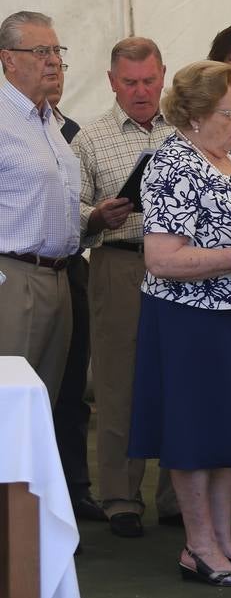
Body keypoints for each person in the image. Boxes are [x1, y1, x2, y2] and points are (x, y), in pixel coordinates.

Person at [129, 60, 231, 587]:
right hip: (189, 320)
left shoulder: (229, 160)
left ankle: (222, 538)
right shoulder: (173, 163)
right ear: (197, 115)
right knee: (195, 432)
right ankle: (197, 545)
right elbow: (162, 258)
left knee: (226, 432)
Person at [72, 37, 180, 537]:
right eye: (130, 82)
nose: (141, 92)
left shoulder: (184, 132)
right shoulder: (89, 140)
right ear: (112, 81)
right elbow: (67, 209)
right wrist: (97, 214)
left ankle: (179, 494)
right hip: (119, 263)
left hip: (183, 266)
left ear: (164, 76)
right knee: (119, 384)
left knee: (179, 379)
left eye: (149, 81)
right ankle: (120, 497)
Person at [0, 11, 79, 405]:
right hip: (14, 279)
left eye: (56, 50)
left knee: (41, 408)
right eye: (41, 51)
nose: (53, 60)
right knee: (10, 404)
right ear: (9, 59)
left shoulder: (48, 121)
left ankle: (27, 472)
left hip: (59, 278)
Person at [49, 59, 103, 525]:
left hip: (72, 266)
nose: (54, 70)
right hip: (24, 269)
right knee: (31, 388)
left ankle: (75, 487)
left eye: (59, 62)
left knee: (73, 385)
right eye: (41, 58)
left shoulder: (72, 132)